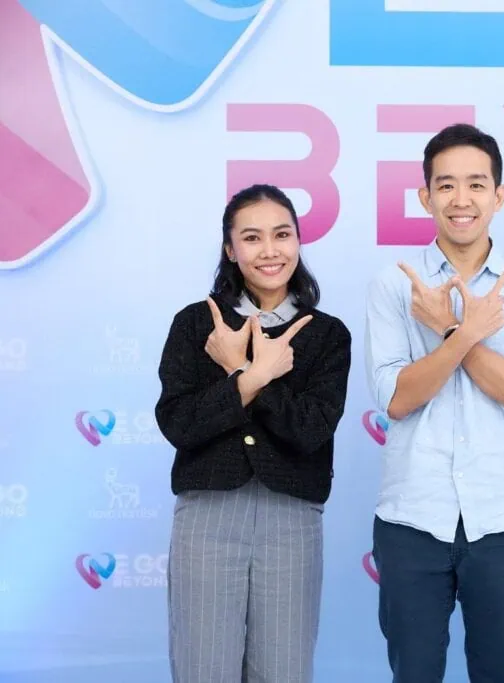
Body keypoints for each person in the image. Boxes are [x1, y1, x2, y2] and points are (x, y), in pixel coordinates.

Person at [364, 123, 504, 683]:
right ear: (425, 197)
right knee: (414, 673)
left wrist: (451, 328)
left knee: (498, 672)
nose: (461, 199)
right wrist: (469, 335)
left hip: (501, 517)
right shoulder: (393, 285)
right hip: (411, 515)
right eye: (446, 185)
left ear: (499, 196)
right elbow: (397, 399)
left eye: (476, 184)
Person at [155, 183, 352, 683]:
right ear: (230, 249)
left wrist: (246, 374)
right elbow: (179, 423)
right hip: (208, 516)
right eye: (252, 237)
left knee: (283, 671)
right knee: (203, 668)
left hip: (292, 519)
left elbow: (310, 430)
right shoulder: (196, 323)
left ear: (299, 241)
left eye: (282, 235)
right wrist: (253, 378)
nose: (270, 251)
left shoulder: (327, 334)